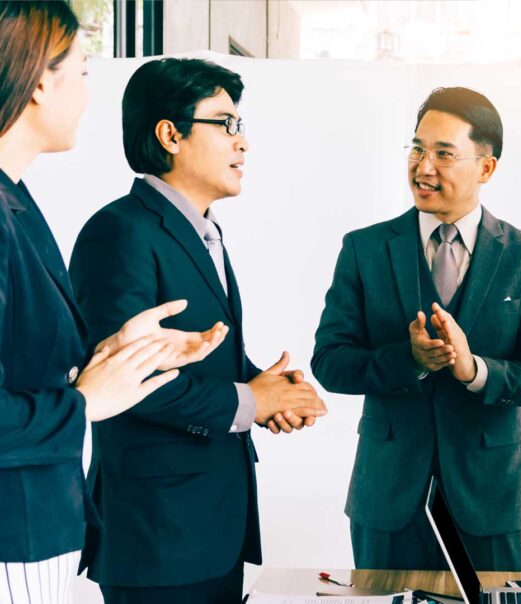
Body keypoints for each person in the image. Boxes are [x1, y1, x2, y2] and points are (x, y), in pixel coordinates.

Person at [68, 57, 327, 604]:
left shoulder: (204, 232)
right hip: (158, 535)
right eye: (226, 124)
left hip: (211, 526)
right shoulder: (119, 232)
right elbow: (127, 380)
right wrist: (248, 400)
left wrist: (267, 388)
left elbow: (191, 358)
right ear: (170, 135)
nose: (243, 143)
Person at [0, 3, 228, 602]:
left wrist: (116, 352)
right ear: (40, 81)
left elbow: (29, 357)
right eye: (81, 70)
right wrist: (84, 401)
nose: (87, 92)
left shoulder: (18, 204)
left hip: (40, 528)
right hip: (15, 537)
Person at [311, 87, 521, 571]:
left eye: (443, 154)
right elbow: (329, 361)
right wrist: (406, 360)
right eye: (417, 149)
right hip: (387, 496)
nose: (423, 166)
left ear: (486, 168)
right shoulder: (364, 249)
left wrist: (476, 371)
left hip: (490, 499)